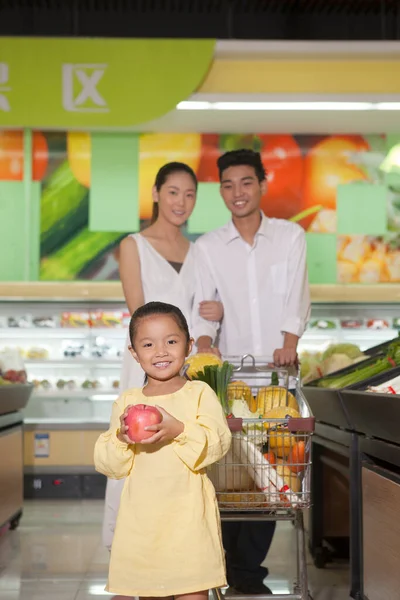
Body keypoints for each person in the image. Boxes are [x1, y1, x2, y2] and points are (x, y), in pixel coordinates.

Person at [191, 149, 311, 594]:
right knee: (230, 478)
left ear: (263, 184)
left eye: (245, 182)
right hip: (229, 381)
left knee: (272, 477)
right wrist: (205, 345)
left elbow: (297, 297)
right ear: (220, 190)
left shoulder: (290, 237)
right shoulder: (207, 247)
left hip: (277, 379)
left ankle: (244, 570)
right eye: (227, 184)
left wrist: (289, 345)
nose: (237, 193)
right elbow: (203, 312)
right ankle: (232, 567)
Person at [102, 162, 223, 562]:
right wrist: (165, 354)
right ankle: (132, 546)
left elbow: (205, 308)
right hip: (149, 365)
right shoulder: (133, 245)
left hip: (185, 367)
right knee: (136, 444)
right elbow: (140, 313)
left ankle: (180, 546)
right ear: (155, 193)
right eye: (173, 192)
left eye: (190, 194)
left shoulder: (199, 250)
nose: (181, 202)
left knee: (180, 452)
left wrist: (210, 319)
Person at [94, 301, 232, 599]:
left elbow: (218, 442)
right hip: (142, 525)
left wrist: (179, 430)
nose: (160, 351)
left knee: (193, 592)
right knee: (150, 591)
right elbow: (110, 465)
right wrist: (121, 437)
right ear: (133, 352)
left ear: (189, 345)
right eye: (147, 344)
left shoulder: (199, 394)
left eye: (171, 341)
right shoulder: (127, 402)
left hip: (189, 522)